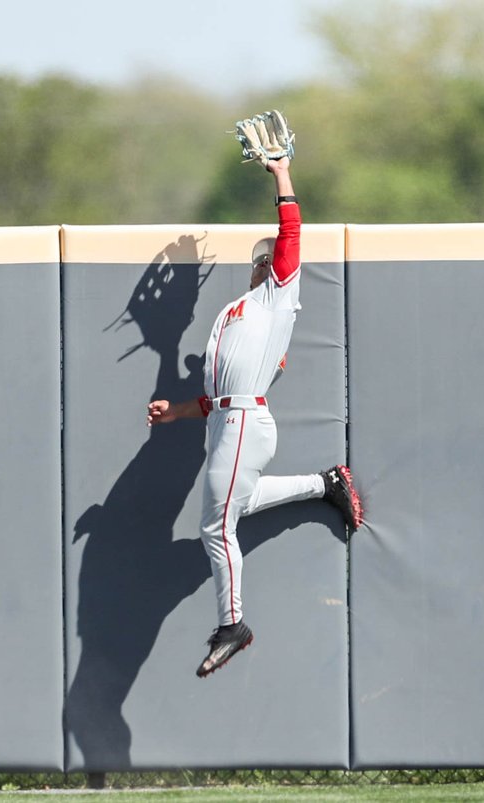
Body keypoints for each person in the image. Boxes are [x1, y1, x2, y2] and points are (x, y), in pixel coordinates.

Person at [146, 155, 363, 678]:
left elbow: (291, 232)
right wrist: (175, 411)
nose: (265, 263)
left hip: (244, 422)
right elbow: (219, 392)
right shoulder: (236, 312)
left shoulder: (277, 297)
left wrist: (282, 175)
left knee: (215, 527)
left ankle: (232, 625)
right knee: (231, 511)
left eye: (270, 259)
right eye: (260, 260)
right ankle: (325, 482)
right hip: (227, 420)